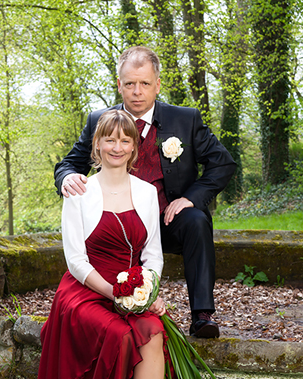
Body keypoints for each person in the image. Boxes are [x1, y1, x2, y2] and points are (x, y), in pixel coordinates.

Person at [6, 110, 186, 379]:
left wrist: (145, 293)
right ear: (97, 145)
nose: (116, 147)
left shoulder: (148, 193)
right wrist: (116, 294)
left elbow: (152, 254)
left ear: (135, 147)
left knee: (153, 332)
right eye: (109, 139)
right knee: (119, 334)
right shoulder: (79, 190)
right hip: (86, 289)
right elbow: (75, 260)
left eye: (125, 140)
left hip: (131, 286)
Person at [54, 46, 237, 339]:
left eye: (145, 84)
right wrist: (66, 179)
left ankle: (202, 315)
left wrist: (190, 198)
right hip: (120, 231)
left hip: (168, 221)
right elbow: (69, 164)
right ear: (119, 85)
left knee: (197, 220)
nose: (137, 92)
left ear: (157, 85)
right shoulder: (99, 120)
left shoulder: (185, 120)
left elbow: (223, 163)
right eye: (129, 84)